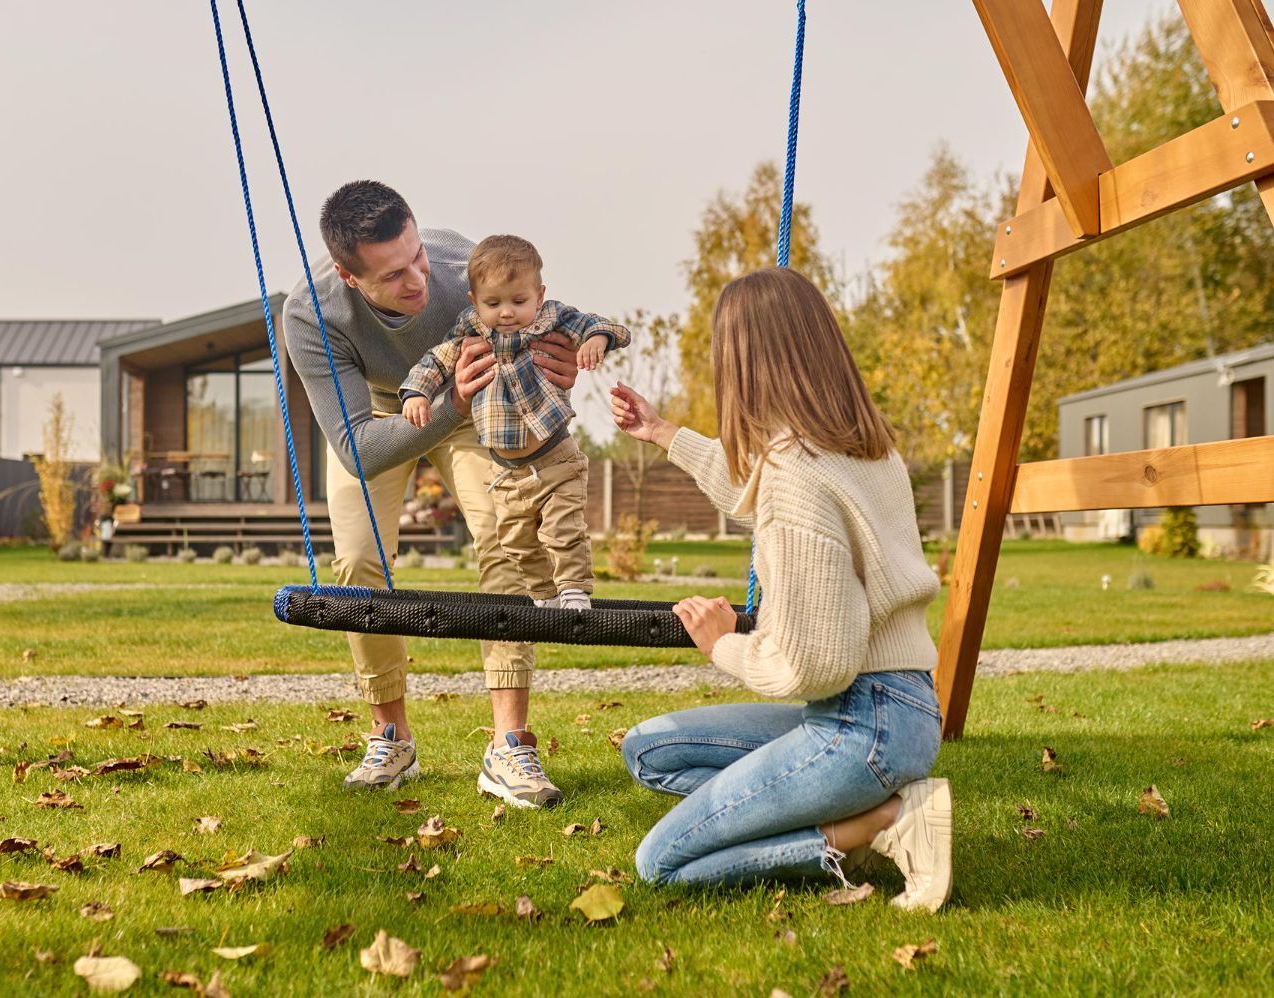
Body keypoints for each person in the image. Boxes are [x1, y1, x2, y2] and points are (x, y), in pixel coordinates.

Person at [609, 267, 952, 911]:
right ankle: (824, 808)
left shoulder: (798, 473)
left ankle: (877, 824)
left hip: (858, 729)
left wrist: (723, 645)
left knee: (662, 863)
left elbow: (814, 665)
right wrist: (663, 435)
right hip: (902, 708)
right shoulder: (865, 448)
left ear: (741, 364)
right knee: (649, 750)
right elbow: (759, 490)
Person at [281, 181, 576, 808]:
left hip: (475, 406)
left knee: (505, 533)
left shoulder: (457, 268)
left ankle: (508, 743)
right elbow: (357, 451)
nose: (417, 279)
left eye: (416, 255)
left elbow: (534, 325)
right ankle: (391, 734)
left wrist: (559, 360)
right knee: (359, 560)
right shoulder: (312, 315)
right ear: (348, 274)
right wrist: (444, 406)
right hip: (377, 419)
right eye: (393, 274)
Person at [399, 234, 630, 611]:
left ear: (539, 296)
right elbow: (435, 361)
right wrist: (417, 393)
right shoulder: (469, 331)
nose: (506, 312)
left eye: (519, 301)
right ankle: (545, 595)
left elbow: (596, 324)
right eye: (493, 303)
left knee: (562, 529)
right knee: (515, 542)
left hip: (556, 458)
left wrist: (596, 340)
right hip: (506, 474)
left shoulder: (552, 317)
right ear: (474, 302)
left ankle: (572, 588)